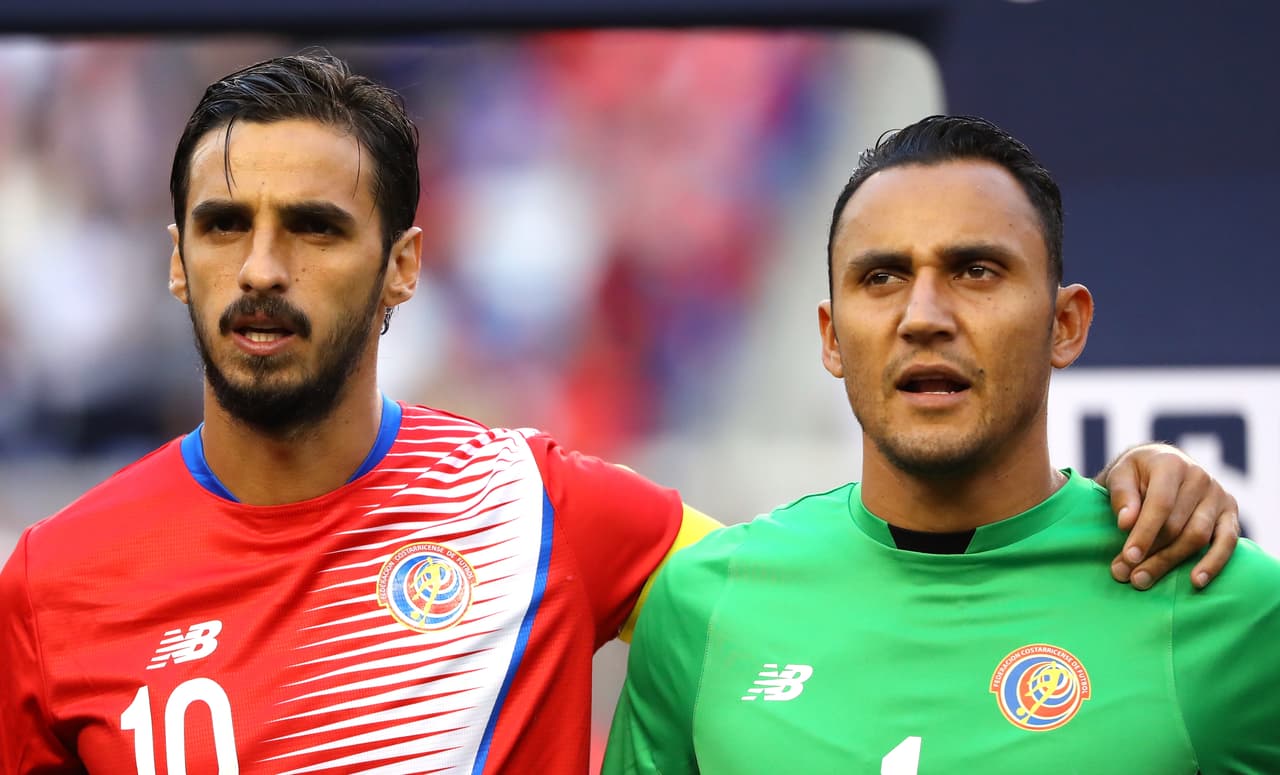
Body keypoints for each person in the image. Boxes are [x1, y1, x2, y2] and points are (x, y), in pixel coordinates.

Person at [0, 56, 1240, 774]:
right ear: (174, 258)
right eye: (225, 227)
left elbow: (856, 584)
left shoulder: (544, 510)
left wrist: (1108, 495)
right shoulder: (54, 585)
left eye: (315, 227)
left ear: (404, 265)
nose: (261, 269)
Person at [603, 114, 1280, 775]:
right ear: (832, 337)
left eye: (976, 270)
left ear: (1065, 325)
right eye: (881, 277)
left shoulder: (1232, 614)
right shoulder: (701, 607)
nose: (923, 316)